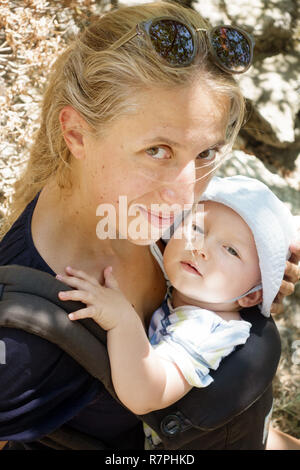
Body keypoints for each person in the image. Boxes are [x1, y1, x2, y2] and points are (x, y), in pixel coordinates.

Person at [0, 1, 299, 450]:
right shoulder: (19, 348)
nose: (186, 196)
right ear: (77, 134)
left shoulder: (155, 212)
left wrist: (249, 280)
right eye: (156, 151)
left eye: (205, 154)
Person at [55, 175, 297, 449]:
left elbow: (145, 392)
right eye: (196, 227)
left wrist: (121, 320)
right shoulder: (188, 292)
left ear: (252, 295)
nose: (201, 248)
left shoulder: (204, 330)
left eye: (231, 250)